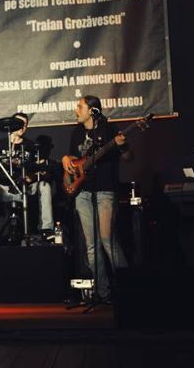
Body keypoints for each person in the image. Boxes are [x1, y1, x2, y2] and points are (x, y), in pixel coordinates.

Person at [63, 95, 132, 302]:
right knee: (91, 245)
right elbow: (73, 159)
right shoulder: (76, 132)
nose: (76, 110)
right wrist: (66, 159)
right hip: (82, 193)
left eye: (79, 107)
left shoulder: (109, 130)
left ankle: (129, 287)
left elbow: (128, 157)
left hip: (105, 191)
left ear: (92, 110)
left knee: (107, 239)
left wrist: (123, 145)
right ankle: (103, 292)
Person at [0, 112, 55, 243]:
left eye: (25, 125)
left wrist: (32, 177)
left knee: (45, 187)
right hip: (4, 189)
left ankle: (47, 230)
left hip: (25, 189)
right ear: (12, 124)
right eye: (20, 124)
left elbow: (40, 170)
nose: (23, 127)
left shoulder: (31, 146)